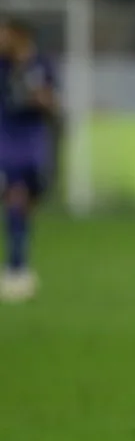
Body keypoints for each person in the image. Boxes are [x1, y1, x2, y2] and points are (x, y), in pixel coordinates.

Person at [0, 19, 59, 302]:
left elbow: (53, 103)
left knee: (26, 205)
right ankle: (16, 268)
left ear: (19, 35)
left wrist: (40, 98)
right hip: (6, 142)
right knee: (16, 198)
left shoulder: (41, 65)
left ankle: (20, 262)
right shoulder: (3, 66)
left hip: (34, 144)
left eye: (5, 33)